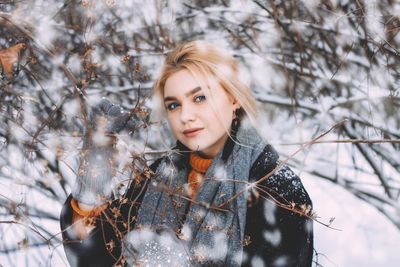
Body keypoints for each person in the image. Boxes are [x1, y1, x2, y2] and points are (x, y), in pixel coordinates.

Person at [60, 40, 313, 267]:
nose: (185, 116)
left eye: (200, 98)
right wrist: (96, 159)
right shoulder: (159, 177)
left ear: (233, 97)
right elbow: (91, 256)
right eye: (174, 104)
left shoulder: (276, 191)